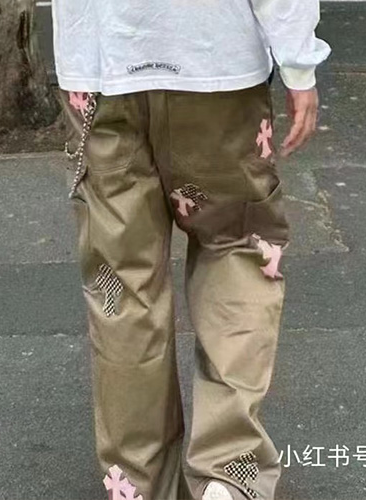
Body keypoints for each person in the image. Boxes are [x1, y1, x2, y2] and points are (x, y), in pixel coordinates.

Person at [51, 1, 330, 499]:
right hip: (216, 65)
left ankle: (136, 485)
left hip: (100, 67)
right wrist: (298, 62)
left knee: (122, 285)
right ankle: (229, 473)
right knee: (237, 248)